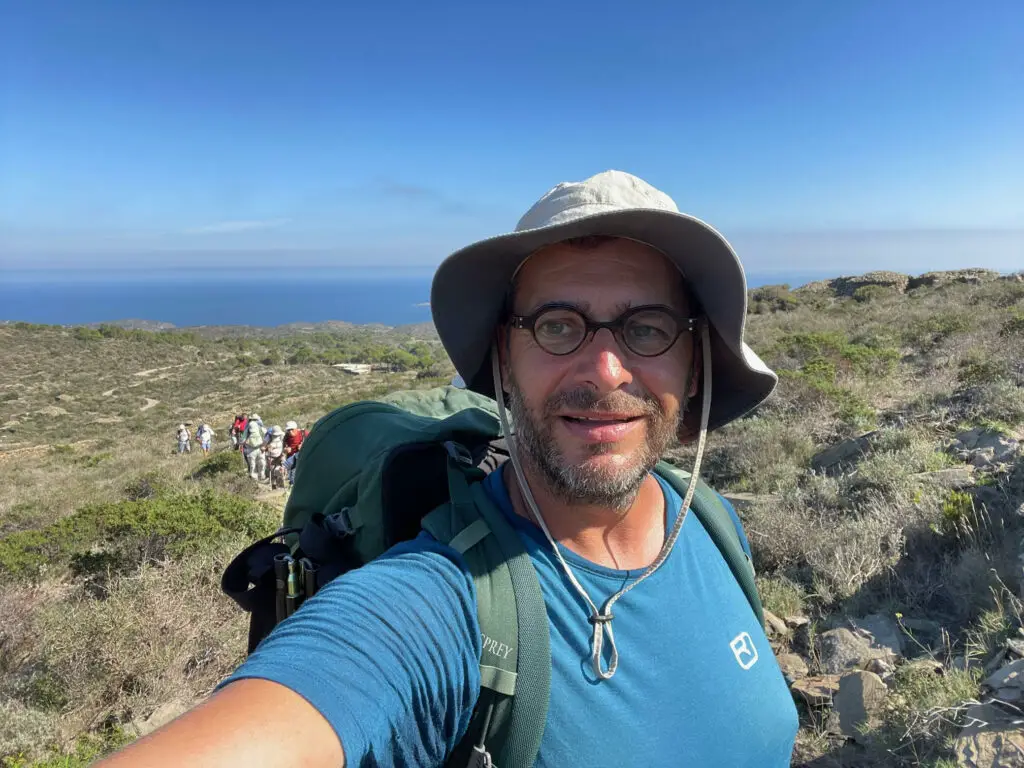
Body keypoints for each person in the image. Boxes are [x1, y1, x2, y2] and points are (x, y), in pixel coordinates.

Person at [99, 170, 798, 766]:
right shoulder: (436, 609)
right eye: (557, 326)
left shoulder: (710, 521)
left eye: (647, 327)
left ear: (695, 359)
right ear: (503, 357)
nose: (605, 369)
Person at [241, 413, 266, 481]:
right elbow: (266, 435)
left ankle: (255, 478)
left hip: (251, 448)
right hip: (259, 447)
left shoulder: (247, 427)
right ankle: (261, 476)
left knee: (253, 463)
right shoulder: (260, 427)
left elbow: (242, 439)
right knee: (261, 462)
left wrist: (243, 443)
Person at [282, 420, 305, 484]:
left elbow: (312, 441)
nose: (290, 431)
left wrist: (304, 445)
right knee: (293, 479)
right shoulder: (286, 437)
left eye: (292, 429)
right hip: (292, 461)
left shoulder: (303, 433)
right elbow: (283, 449)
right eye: (288, 430)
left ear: (296, 428)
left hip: (303, 458)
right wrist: (285, 450)